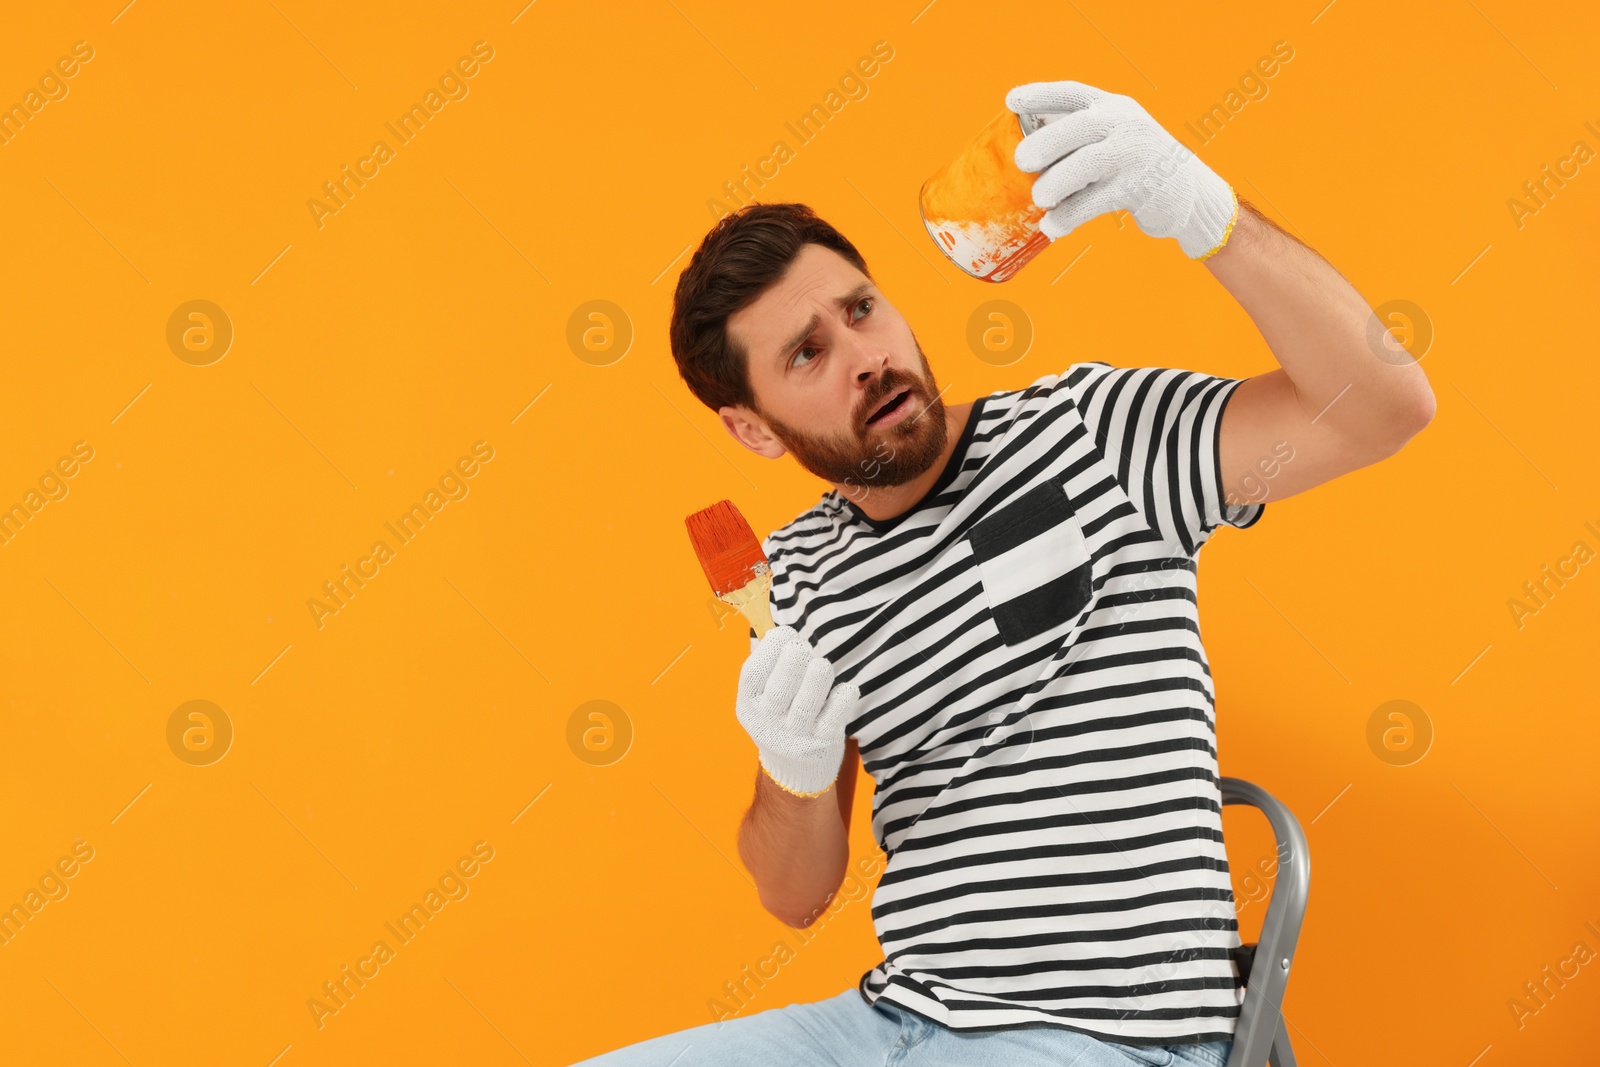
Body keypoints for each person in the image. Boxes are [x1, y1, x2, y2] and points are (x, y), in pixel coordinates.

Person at [576, 79, 1433, 1066]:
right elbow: (795, 894)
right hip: (893, 1022)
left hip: (1118, 1034)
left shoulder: (1090, 432)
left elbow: (1383, 409)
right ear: (752, 427)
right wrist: (794, 768)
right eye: (807, 353)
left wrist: (1208, 213)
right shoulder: (799, 570)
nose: (864, 355)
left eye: (861, 310)